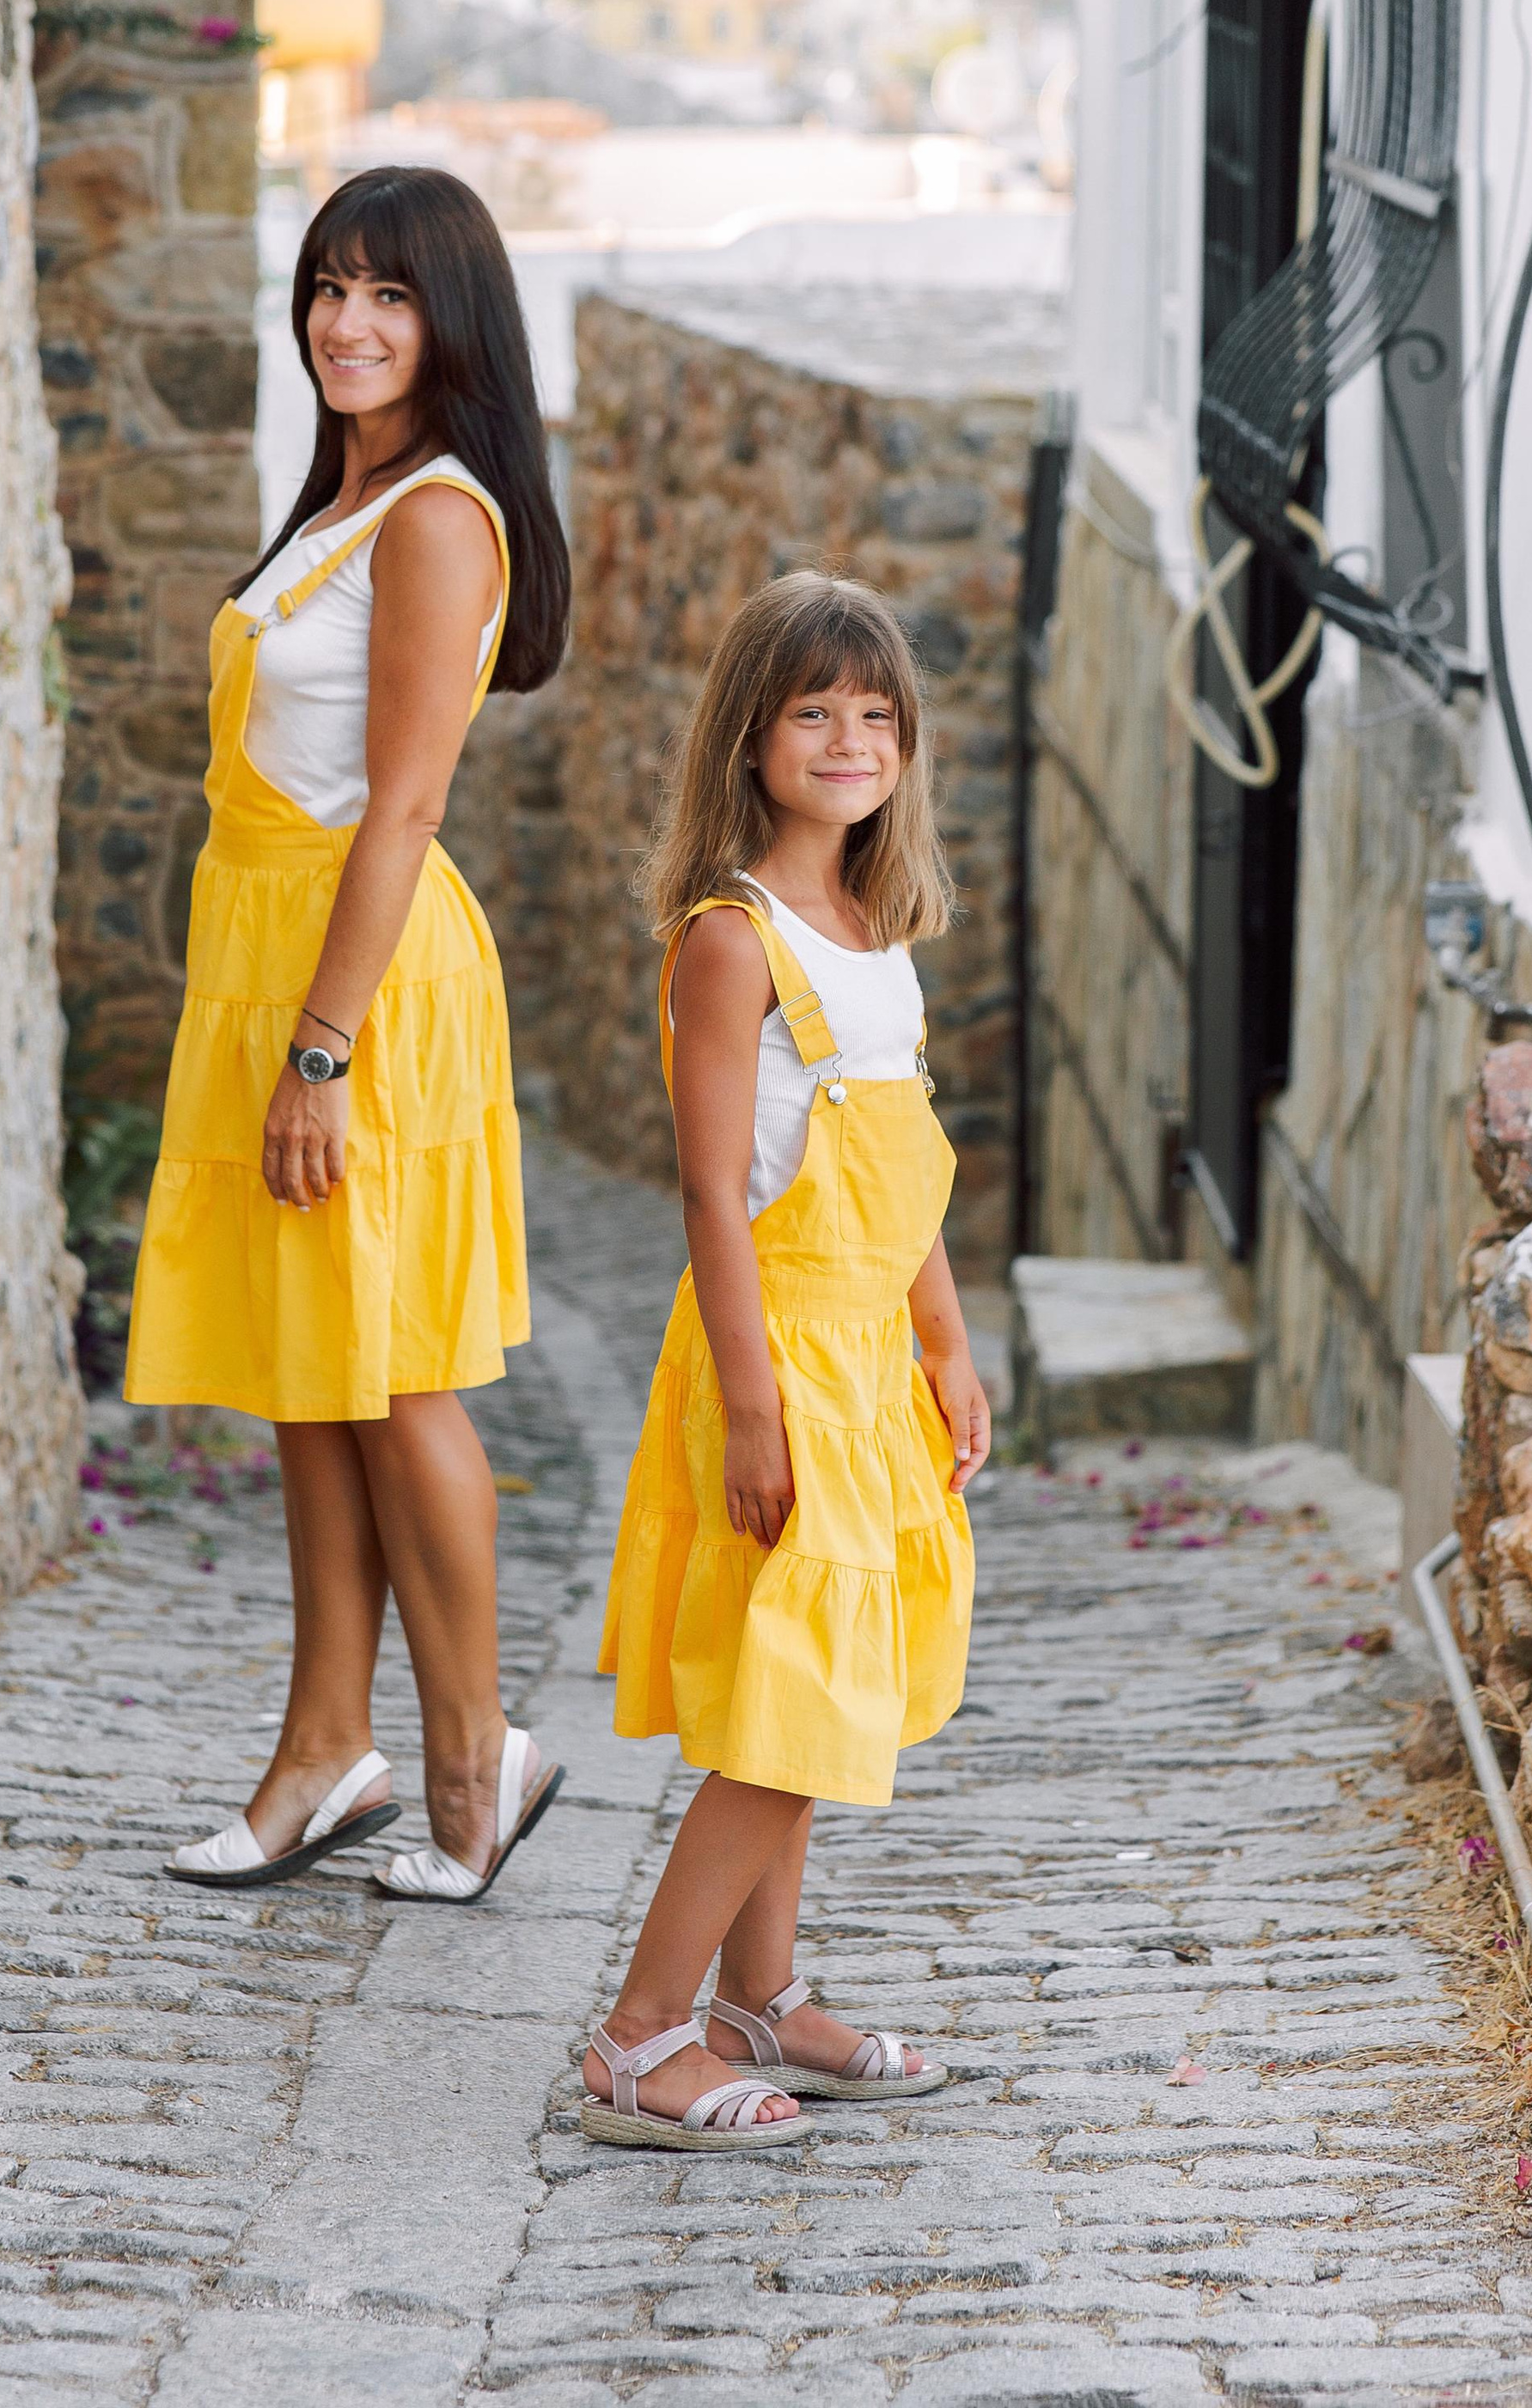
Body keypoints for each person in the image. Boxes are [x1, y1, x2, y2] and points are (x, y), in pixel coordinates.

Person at [124, 165, 570, 1901]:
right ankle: (325, 1751)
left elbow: (398, 809)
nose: (345, 324)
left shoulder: (439, 516)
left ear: (447, 322)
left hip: (355, 981)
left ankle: (475, 1764)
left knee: (394, 1383)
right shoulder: (340, 503)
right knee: (308, 1388)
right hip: (269, 952)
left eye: (387, 295)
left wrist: (320, 1049)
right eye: (326, 287)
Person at [583, 572, 991, 2149]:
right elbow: (710, 1194)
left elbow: (906, 1166)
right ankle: (639, 2037)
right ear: (749, 738)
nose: (846, 739)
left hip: (868, 1358)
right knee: (788, 1708)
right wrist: (753, 1411)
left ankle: (761, 2002)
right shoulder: (731, 942)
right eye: (813, 711)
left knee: (820, 1698)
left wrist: (943, 1344)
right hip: (775, 1364)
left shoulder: (873, 936)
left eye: (875, 716)